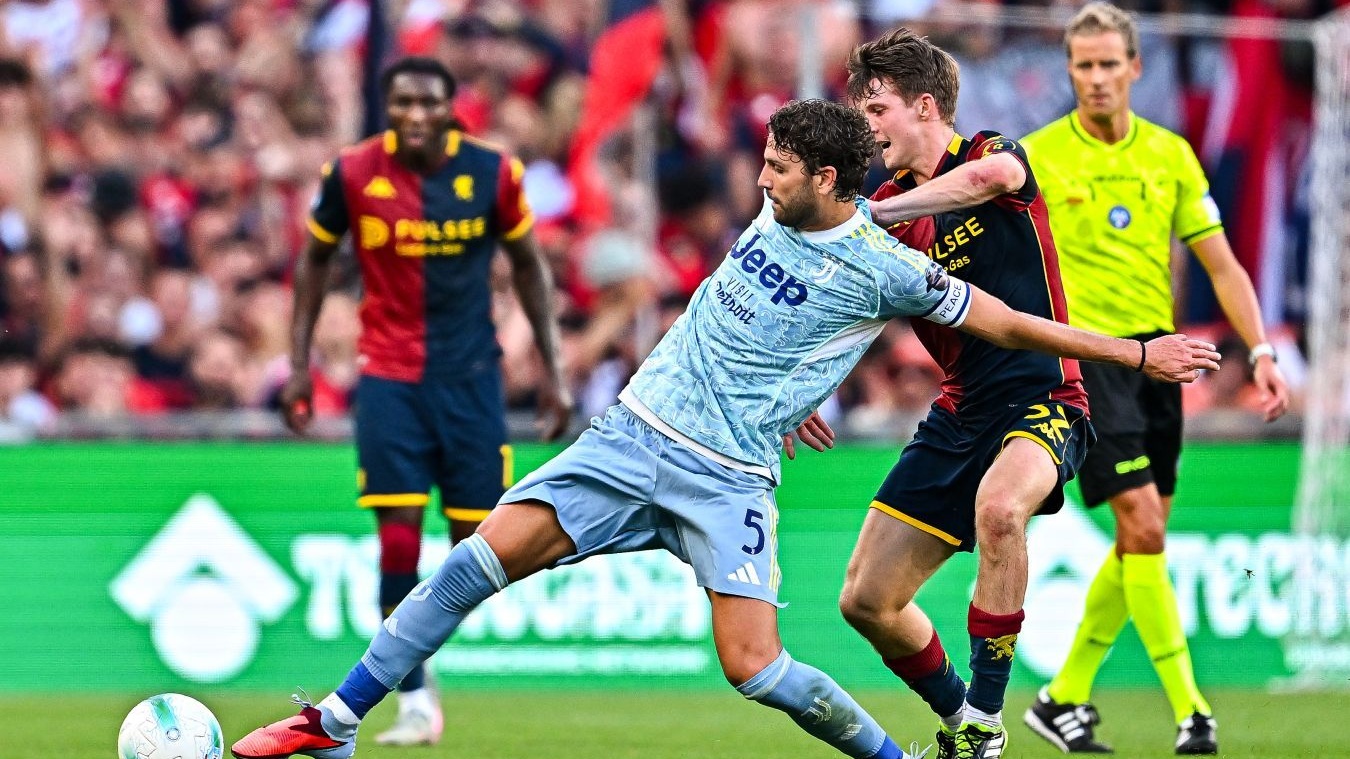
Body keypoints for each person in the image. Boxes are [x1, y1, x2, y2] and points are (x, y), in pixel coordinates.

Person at [231, 98, 1218, 759]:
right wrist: (799, 391)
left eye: (779, 167)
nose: (762, 180)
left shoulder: (888, 264)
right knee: (472, 566)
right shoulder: (776, 213)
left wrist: (1135, 355)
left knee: (756, 669)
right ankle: (337, 719)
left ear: (826, 178)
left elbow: (1003, 321)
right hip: (631, 437)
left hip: (728, 480)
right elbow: (768, 321)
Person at [813, 27, 1094, 759]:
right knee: (866, 600)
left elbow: (984, 182)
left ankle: (987, 718)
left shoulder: (991, 155)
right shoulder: (887, 205)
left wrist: (875, 216)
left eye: (877, 110)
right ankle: (967, 721)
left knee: (1000, 509)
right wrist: (805, 389)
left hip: (1044, 399)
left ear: (926, 106)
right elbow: (848, 316)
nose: (868, 129)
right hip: (959, 411)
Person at [277, 56, 572, 747]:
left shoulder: (492, 174)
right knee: (397, 540)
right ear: (387, 109)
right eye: (402, 103)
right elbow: (314, 260)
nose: (415, 115)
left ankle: (415, 662)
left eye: (428, 103)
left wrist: (554, 371)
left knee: (477, 548)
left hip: (471, 379)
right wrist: (298, 366)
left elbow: (528, 265)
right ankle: (412, 697)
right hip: (389, 379)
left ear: (450, 108)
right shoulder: (352, 173)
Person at [1018, 5, 1289, 755]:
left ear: (1135, 68)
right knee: (1141, 525)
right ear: (1070, 71)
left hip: (1161, 361)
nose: (1097, 78)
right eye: (1084, 65)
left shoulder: (1171, 154)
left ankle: (1063, 695)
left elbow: (1221, 264)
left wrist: (1262, 350)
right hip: (1089, 360)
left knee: (1145, 536)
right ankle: (1192, 710)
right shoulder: (1038, 156)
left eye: (1110, 63)